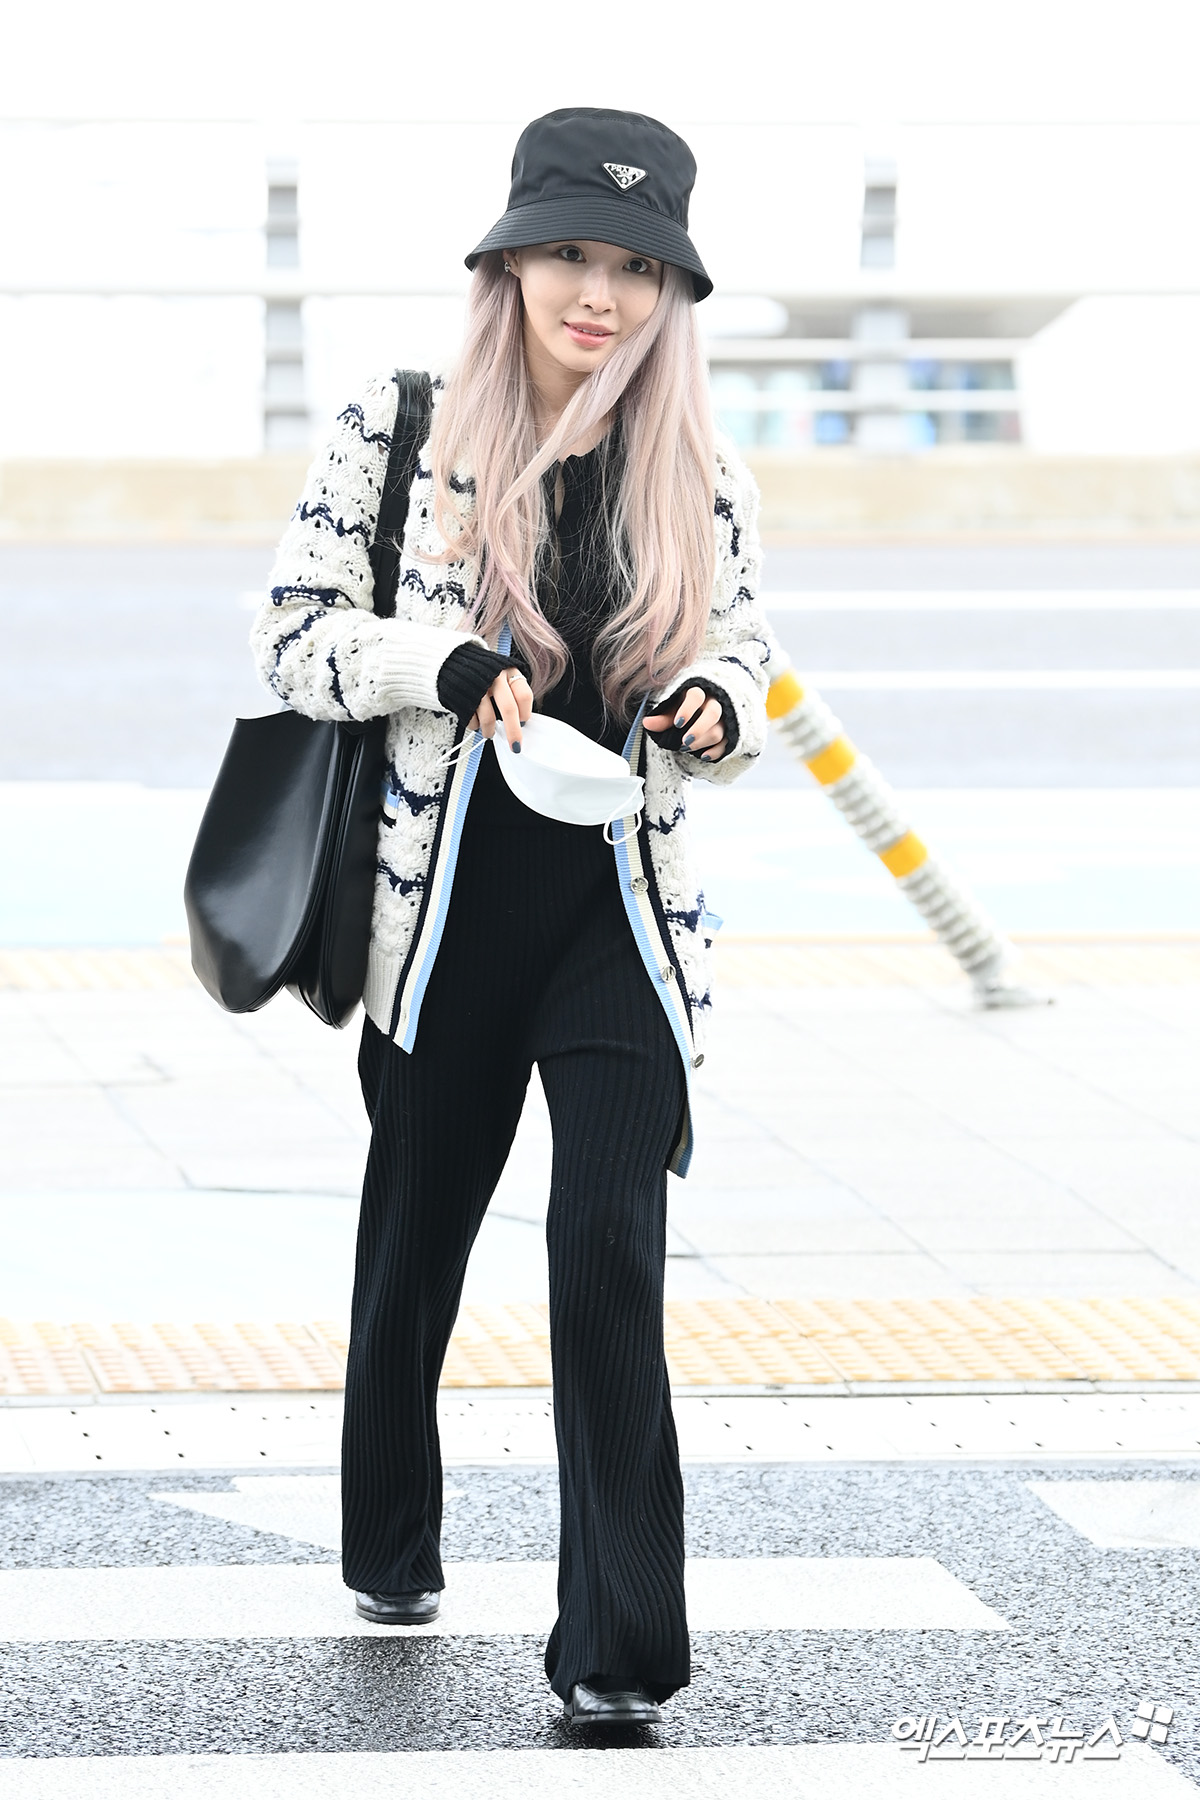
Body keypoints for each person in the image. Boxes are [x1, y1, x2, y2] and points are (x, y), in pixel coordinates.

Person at [253, 106, 770, 1727]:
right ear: (511, 264)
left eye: (636, 267)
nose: (600, 293)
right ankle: (389, 1535)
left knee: (609, 1248)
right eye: (571, 255)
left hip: (621, 918)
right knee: (415, 1248)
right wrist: (441, 659)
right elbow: (293, 641)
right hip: (445, 919)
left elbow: (750, 655)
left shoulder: (698, 467)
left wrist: (713, 705)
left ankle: (618, 1647)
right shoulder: (401, 429)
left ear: (670, 291)